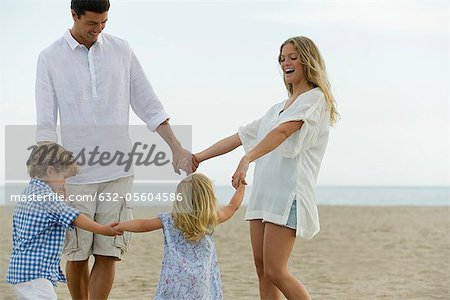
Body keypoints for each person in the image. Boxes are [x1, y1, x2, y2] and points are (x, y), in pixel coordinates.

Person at [35, 0, 197, 299]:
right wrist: (54, 180)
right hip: (74, 177)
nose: (98, 30)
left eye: (104, 23)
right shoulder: (50, 57)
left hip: (118, 171)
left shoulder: (121, 50)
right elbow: (45, 123)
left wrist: (176, 147)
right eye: (91, 24)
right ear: (74, 15)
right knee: (78, 254)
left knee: (109, 252)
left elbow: (149, 103)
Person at [194, 36, 338, 299]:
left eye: (293, 57)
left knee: (276, 270)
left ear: (308, 60)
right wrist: (198, 157)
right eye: (283, 59)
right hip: (263, 196)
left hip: (288, 196)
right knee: (262, 271)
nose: (287, 63)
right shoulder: (276, 109)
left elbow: (283, 133)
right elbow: (238, 137)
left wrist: (248, 159)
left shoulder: (315, 99)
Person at [6, 143, 122, 300]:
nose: (64, 183)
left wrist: (58, 198)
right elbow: (75, 217)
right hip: (37, 276)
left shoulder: (29, 193)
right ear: (50, 171)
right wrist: (102, 229)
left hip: (21, 272)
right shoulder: (47, 198)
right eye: (64, 177)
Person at [114, 173, 246, 299]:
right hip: (201, 283)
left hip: (174, 282)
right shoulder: (210, 219)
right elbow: (233, 206)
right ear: (208, 198)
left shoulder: (171, 220)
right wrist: (242, 186)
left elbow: (143, 225)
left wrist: (121, 226)